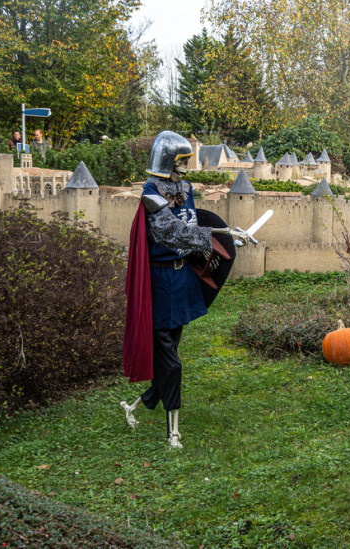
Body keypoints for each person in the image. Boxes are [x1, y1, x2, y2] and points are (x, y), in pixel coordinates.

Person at [120, 130, 216, 449]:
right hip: (159, 284)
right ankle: (173, 431)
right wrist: (213, 237)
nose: (185, 169)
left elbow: (190, 223)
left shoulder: (184, 190)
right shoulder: (151, 194)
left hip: (180, 279)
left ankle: (134, 406)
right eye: (181, 162)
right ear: (166, 162)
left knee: (169, 353)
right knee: (171, 363)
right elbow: (171, 233)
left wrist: (225, 235)